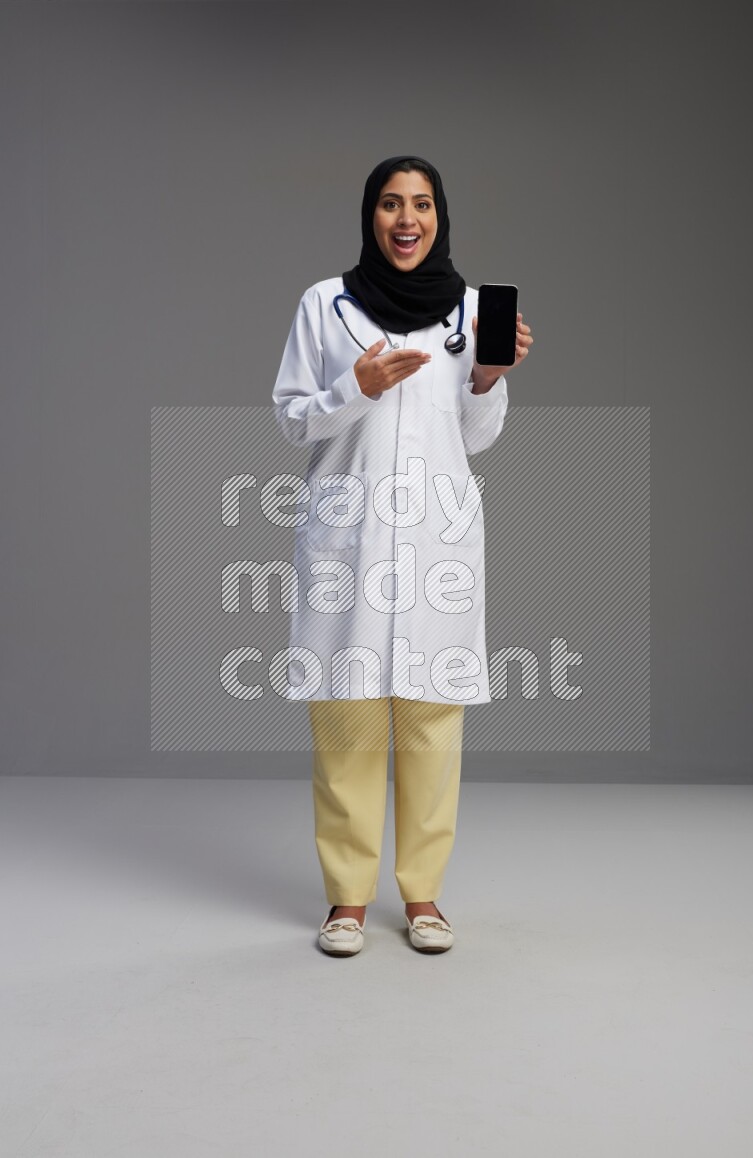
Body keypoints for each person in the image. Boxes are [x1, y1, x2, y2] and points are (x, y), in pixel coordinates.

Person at [272, 155, 533, 956]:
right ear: (371, 215)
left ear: (440, 216)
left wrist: (487, 377)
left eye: (420, 204)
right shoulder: (326, 304)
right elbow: (292, 421)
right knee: (347, 721)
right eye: (390, 203)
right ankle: (347, 900)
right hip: (349, 536)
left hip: (435, 542)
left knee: (430, 721)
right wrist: (356, 386)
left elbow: (477, 439)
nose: (406, 218)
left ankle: (423, 897)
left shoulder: (472, 308)